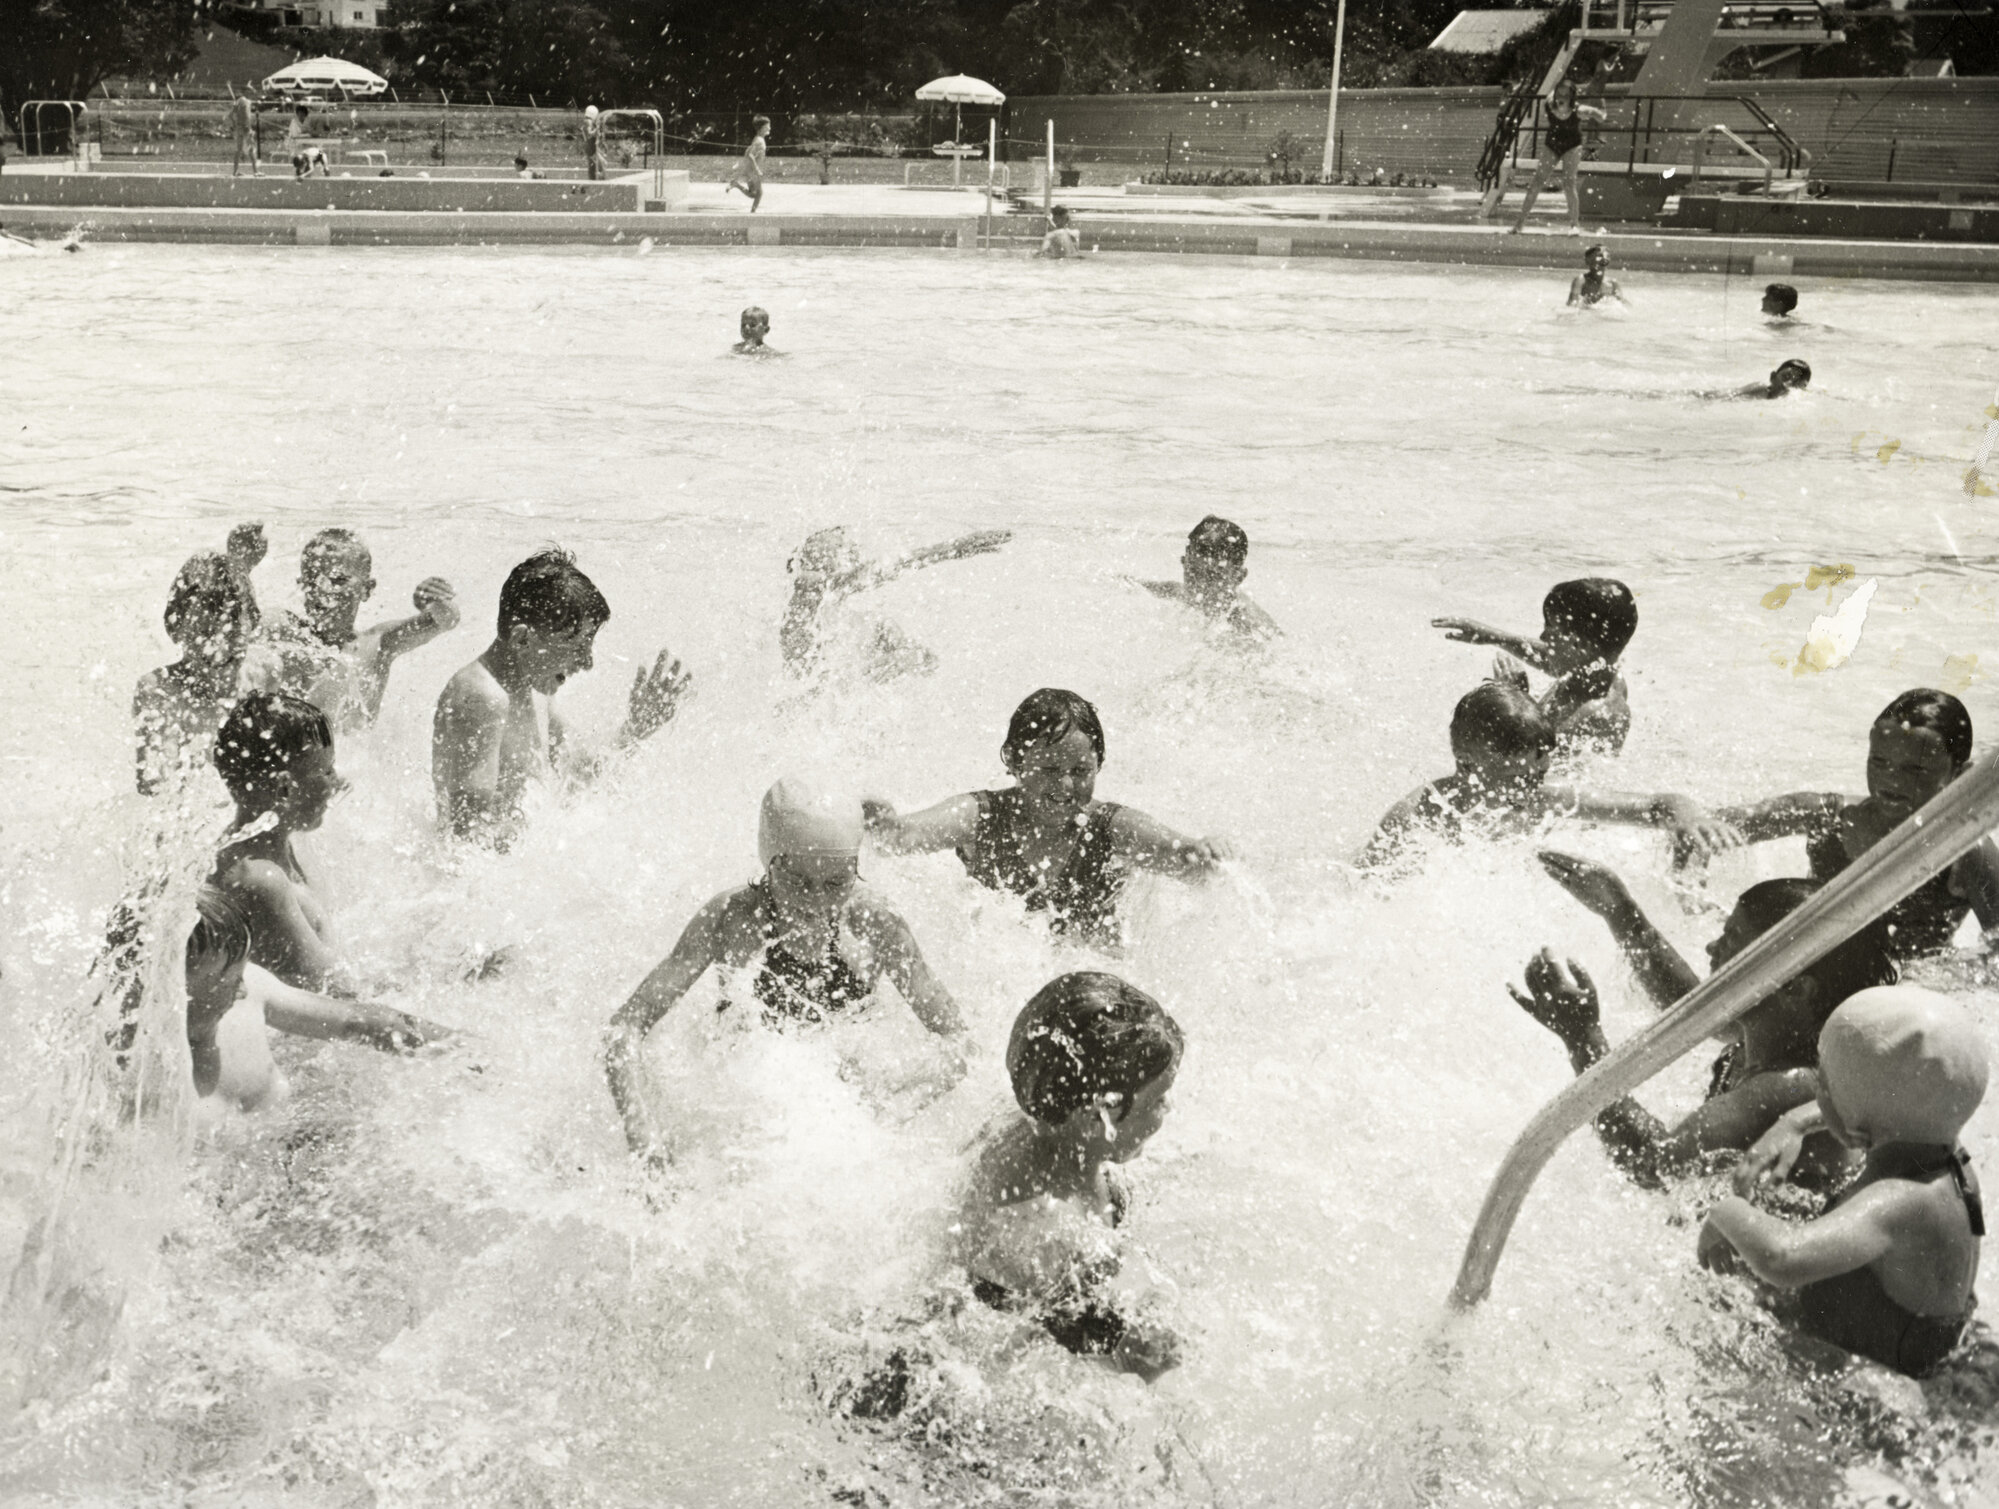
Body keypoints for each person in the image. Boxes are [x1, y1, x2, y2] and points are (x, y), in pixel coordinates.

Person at [603, 779, 969, 1167]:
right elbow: (625, 1028)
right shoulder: (732, 920)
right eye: (797, 881)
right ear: (769, 862)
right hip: (742, 1103)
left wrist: (888, 1108)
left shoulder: (875, 925)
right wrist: (644, 1137)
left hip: (844, 1105)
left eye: (836, 882)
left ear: (855, 870)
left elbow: (957, 1041)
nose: (817, 900)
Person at [1513, 853, 1897, 1188]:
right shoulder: (1773, 1033)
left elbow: (1653, 1165)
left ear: (1797, 989)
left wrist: (1582, 1038)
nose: (1712, 947)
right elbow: (1692, 1008)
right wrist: (1621, 912)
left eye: (1732, 941)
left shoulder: (1788, 1086)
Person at [1701, 985, 1985, 1378]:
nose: (1815, 1091)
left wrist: (1725, 1212)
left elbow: (1782, 1257)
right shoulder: (1943, 1149)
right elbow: (1887, 1108)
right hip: (1929, 1347)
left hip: (1885, 1398)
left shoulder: (1898, 1202)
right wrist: (1795, 1122)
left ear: (1859, 1117)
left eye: (1825, 1083)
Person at [864, 688, 1233, 947]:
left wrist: (1207, 852)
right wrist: (881, 823)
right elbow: (900, 839)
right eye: (1050, 769)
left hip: (1101, 978)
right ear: (1014, 761)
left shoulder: (1111, 827)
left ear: (1098, 765)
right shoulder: (981, 817)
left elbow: (1187, 862)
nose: (1066, 785)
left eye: (1080, 770)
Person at [956, 971, 1184, 1379]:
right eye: (1158, 1099)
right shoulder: (1046, 1226)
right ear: (1101, 1114)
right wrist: (1143, 1353)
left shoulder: (1030, 1123)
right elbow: (1070, 1348)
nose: (1169, 1110)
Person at [1692, 689, 1999, 958]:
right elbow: (1703, 825)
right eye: (1879, 762)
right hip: (1815, 975)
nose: (1891, 779)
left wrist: (1945, 972)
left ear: (1961, 774)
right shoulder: (1826, 816)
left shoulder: (1967, 852)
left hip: (1901, 994)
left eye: (1915, 769)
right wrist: (1689, 885)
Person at [432, 548, 692, 846]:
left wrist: (636, 729)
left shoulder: (536, 691)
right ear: (522, 639)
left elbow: (577, 774)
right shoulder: (481, 697)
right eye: (577, 646)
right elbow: (465, 838)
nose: (586, 662)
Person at [1359, 681, 1733, 868]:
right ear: (1468, 761)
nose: (1531, 786)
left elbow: (1657, 804)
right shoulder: (1416, 820)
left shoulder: (1543, 797)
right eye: (1518, 777)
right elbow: (1367, 893)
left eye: (1539, 772)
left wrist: (1691, 818)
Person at [184, 884, 454, 1109]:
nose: (242, 990)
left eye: (240, 973)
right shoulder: (147, 1073)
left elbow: (358, 1020)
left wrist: (459, 1049)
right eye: (228, 981)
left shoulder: (250, 992)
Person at [209, 691, 362, 996]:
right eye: (326, 771)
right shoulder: (257, 879)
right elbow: (332, 993)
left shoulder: (293, 844)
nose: (340, 782)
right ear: (284, 789)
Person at [261, 528, 461, 731]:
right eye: (312, 578)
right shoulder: (285, 632)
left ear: (366, 589)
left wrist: (438, 603)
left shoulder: (377, 644)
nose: (322, 589)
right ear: (301, 584)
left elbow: (445, 621)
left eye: (338, 580)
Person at [780, 525, 1011, 682]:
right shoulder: (804, 594)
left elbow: (929, 661)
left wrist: (901, 660)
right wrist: (949, 549)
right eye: (838, 545)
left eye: (849, 546)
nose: (849, 548)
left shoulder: (861, 622)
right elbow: (868, 574)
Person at [1432, 577, 1635, 754]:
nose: (1543, 637)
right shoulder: (1593, 671)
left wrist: (1518, 699)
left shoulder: (1602, 715)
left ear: (1579, 644)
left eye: (1551, 629)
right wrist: (1492, 636)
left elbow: (1536, 777)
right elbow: (1551, 658)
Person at [134, 550, 257, 795]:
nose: (219, 649)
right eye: (206, 632)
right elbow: (151, 785)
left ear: (253, 623)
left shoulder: (261, 676)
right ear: (176, 627)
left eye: (232, 632)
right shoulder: (160, 691)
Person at [1134, 515, 1279, 640]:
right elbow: (1123, 583)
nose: (1200, 585)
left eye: (1213, 576)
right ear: (1184, 563)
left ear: (1238, 577)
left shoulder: (1252, 626)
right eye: (1194, 572)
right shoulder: (1174, 593)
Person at [1506, 80, 1605, 235]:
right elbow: (1549, 94)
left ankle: (1574, 224)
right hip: (1552, 144)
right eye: (1560, 93)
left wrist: (1599, 114)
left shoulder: (1578, 110)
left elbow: (1598, 115)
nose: (1562, 97)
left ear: (1571, 97)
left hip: (1572, 145)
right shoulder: (1550, 104)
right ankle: (1519, 224)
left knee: (1569, 183)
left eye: (1566, 94)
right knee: (1537, 181)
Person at [726, 115, 770, 211]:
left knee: (754, 194)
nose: (769, 128)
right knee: (759, 193)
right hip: (753, 171)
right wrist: (757, 169)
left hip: (750, 170)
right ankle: (752, 213)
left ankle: (736, 184)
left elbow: (748, 151)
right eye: (767, 126)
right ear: (762, 128)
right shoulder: (759, 140)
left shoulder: (758, 139)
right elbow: (750, 154)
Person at [1721, 359, 1811, 400]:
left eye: (1796, 383)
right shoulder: (1760, 389)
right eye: (1786, 377)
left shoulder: (1797, 399)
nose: (1787, 384)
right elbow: (1726, 397)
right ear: (1772, 377)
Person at [287, 104, 329, 178]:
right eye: (299, 115)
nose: (301, 117)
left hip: (319, 153)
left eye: (303, 115)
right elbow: (294, 136)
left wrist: (303, 176)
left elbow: (311, 132)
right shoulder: (294, 122)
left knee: (323, 168)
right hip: (300, 147)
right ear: (297, 114)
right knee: (306, 171)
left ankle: (327, 174)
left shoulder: (307, 155)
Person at [227, 95, 258, 178]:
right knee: (251, 149)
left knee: (239, 150)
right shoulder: (246, 102)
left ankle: (235, 171)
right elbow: (248, 115)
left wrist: (235, 124)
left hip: (240, 128)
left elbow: (230, 115)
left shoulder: (238, 103)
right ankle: (256, 171)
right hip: (246, 128)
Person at [582, 105, 605, 181]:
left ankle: (593, 180)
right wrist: (597, 129)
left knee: (593, 164)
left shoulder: (588, 121)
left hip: (590, 146)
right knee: (600, 164)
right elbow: (589, 134)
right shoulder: (588, 121)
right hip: (590, 146)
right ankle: (597, 180)